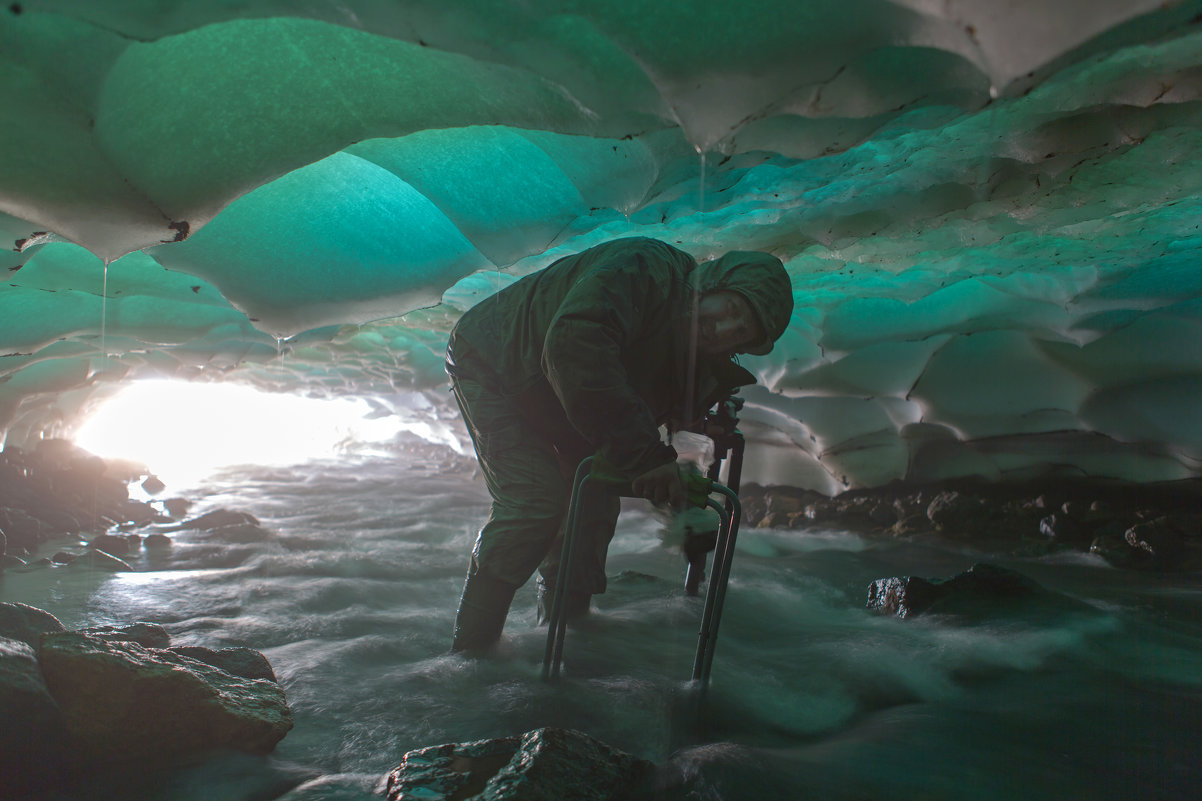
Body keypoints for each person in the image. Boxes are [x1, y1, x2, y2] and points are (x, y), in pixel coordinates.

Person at [445, 236, 793, 652]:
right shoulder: (643, 268)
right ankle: (471, 661)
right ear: (715, 282)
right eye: (732, 310)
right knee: (535, 501)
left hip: (558, 392)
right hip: (493, 360)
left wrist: (695, 429)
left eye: (740, 333)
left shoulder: (694, 336)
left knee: (592, 507)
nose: (722, 330)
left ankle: (563, 644)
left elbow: (647, 390)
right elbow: (575, 345)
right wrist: (645, 457)